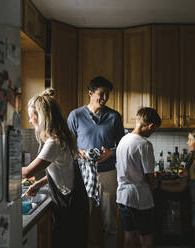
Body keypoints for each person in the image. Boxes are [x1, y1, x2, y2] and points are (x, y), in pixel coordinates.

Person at [22, 89, 88, 248]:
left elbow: (28, 172)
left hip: (70, 205)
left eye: (32, 116)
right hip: (75, 201)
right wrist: (39, 184)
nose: (30, 121)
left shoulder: (53, 142)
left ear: (41, 117)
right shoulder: (62, 136)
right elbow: (63, 171)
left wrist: (2, 166)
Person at [67, 76, 125, 247]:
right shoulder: (75, 115)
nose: (105, 98)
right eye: (101, 93)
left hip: (108, 173)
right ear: (90, 93)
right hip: (83, 174)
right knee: (83, 219)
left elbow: (122, 145)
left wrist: (111, 153)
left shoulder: (114, 116)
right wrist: (80, 152)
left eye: (107, 94)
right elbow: (67, 146)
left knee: (110, 222)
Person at [116, 107, 161, 248]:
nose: (153, 133)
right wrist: (155, 183)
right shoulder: (144, 144)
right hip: (139, 197)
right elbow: (149, 176)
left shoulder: (124, 139)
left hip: (123, 196)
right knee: (146, 235)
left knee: (129, 235)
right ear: (150, 126)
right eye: (154, 130)